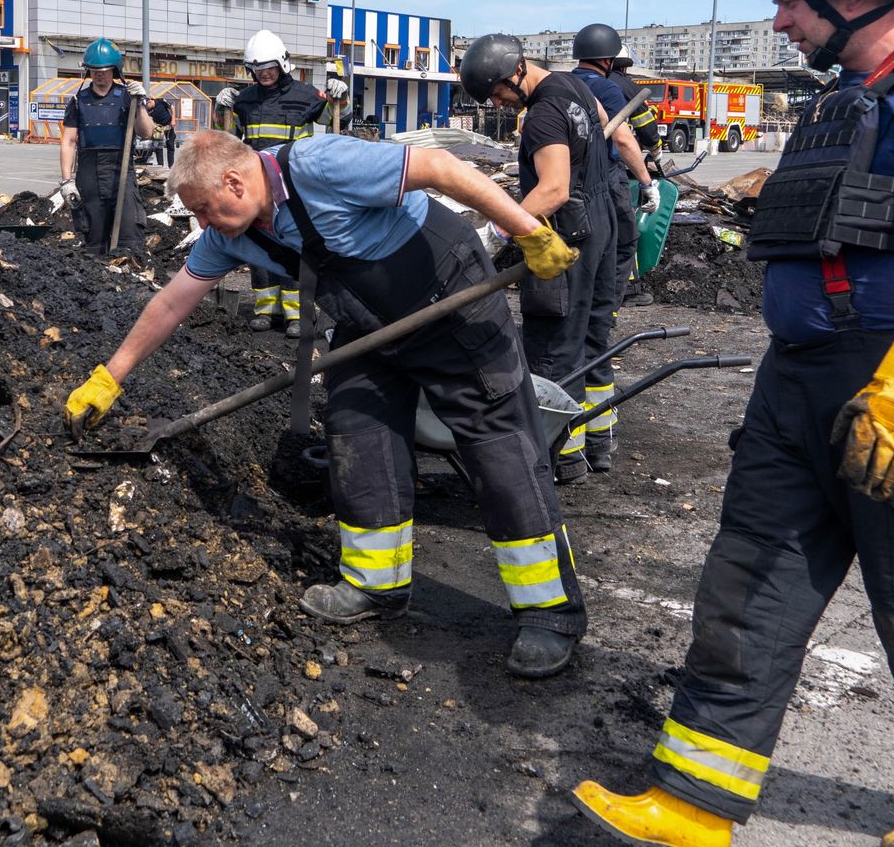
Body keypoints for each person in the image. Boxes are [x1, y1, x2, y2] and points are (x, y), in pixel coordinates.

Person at [573, 0, 894, 847]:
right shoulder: (834, 102)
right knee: (751, 583)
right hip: (796, 383)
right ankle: (695, 803)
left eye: (789, 2)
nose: (780, 21)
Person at [63, 128, 592, 677]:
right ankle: (377, 585)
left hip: (447, 298)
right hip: (367, 324)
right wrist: (109, 377)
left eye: (202, 209)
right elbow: (173, 302)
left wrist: (527, 230)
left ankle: (549, 612)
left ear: (235, 182)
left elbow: (440, 168)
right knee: (357, 432)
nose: (200, 224)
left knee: (497, 448)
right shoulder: (228, 235)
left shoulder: (318, 165)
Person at [461, 33, 614, 485]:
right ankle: (598, 445)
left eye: (497, 92)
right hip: (601, 222)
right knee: (590, 338)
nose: (498, 103)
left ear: (515, 73)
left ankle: (560, 458)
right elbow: (604, 122)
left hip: (567, 235)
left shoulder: (543, 114)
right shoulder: (575, 87)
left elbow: (553, 190)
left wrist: (499, 229)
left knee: (550, 350)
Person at [571, 24, 662, 472]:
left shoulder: (561, 86)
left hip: (567, 200)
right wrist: (647, 181)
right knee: (599, 316)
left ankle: (570, 449)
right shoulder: (609, 88)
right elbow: (627, 136)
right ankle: (599, 441)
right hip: (605, 192)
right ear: (609, 59)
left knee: (572, 322)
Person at [215, 32, 349, 336]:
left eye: (270, 69)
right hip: (256, 186)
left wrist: (342, 96)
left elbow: (338, 117)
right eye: (258, 71)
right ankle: (266, 310)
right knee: (262, 247)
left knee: (295, 247)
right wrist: (221, 107)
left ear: (283, 64)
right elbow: (227, 137)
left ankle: (297, 315)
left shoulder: (305, 95)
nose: (264, 75)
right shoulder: (245, 100)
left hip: (294, 183)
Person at [55, 38, 171, 257]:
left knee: (129, 237)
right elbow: (69, 141)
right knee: (93, 241)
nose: (99, 74)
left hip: (121, 170)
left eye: (105, 70)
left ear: (115, 71)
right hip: (89, 176)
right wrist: (67, 181)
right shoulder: (78, 101)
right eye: (94, 70)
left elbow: (146, 132)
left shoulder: (128, 96)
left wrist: (140, 103)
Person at [611, 45, 663, 307]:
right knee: (625, 230)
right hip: (614, 168)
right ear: (625, 65)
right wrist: (656, 151)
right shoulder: (626, 88)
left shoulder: (576, 82)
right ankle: (629, 290)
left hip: (575, 169)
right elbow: (646, 129)